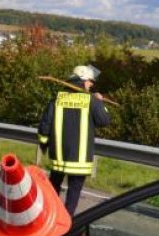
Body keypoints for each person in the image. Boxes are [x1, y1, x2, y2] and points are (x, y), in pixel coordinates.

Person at [37, 65, 110, 215]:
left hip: (59, 158)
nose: (92, 84)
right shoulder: (92, 100)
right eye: (90, 81)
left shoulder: (58, 98)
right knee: (73, 194)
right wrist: (100, 102)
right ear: (83, 80)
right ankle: (66, 222)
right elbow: (104, 120)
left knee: (53, 189)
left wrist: (44, 144)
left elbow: (45, 125)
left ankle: (49, 216)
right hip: (80, 161)